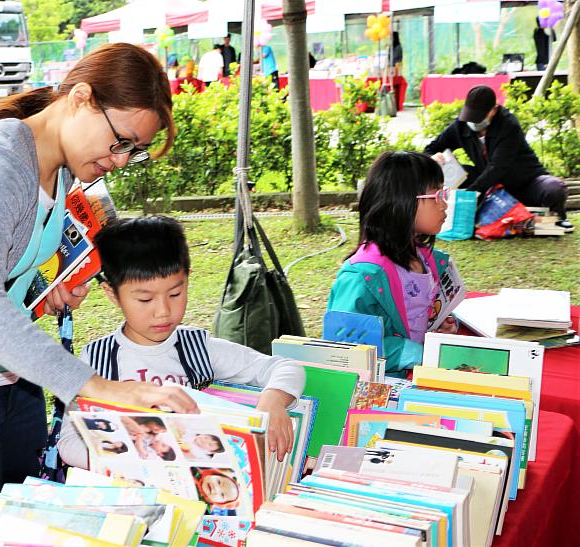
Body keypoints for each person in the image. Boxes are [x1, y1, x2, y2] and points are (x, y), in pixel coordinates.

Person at [0, 43, 199, 541]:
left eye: (133, 152)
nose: (120, 160)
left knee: (26, 528)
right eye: (121, 141)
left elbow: (1, 269)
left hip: (11, 380)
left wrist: (41, 291)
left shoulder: (61, 168)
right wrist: (95, 385)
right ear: (82, 98)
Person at [58, 216, 304, 468]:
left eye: (175, 293)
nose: (163, 311)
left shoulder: (197, 348)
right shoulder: (96, 361)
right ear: (112, 293)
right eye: (145, 300)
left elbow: (285, 368)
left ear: (187, 278)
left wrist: (272, 404)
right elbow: (67, 440)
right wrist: (125, 463)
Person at [327, 151, 460, 377]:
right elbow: (345, 347)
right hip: (381, 387)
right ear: (402, 202)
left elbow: (417, 310)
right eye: (437, 196)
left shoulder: (425, 260)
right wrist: (414, 354)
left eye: (444, 193)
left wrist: (438, 321)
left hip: (416, 376)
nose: (444, 204)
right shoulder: (362, 277)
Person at [424, 85, 572, 232]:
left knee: (553, 188)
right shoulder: (461, 125)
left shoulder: (508, 125)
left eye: (478, 116)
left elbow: (498, 167)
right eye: (470, 116)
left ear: (493, 110)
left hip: (525, 183)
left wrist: (469, 195)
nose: (473, 121)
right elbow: (431, 148)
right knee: (451, 171)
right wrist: (433, 157)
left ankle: (558, 217)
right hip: (489, 186)